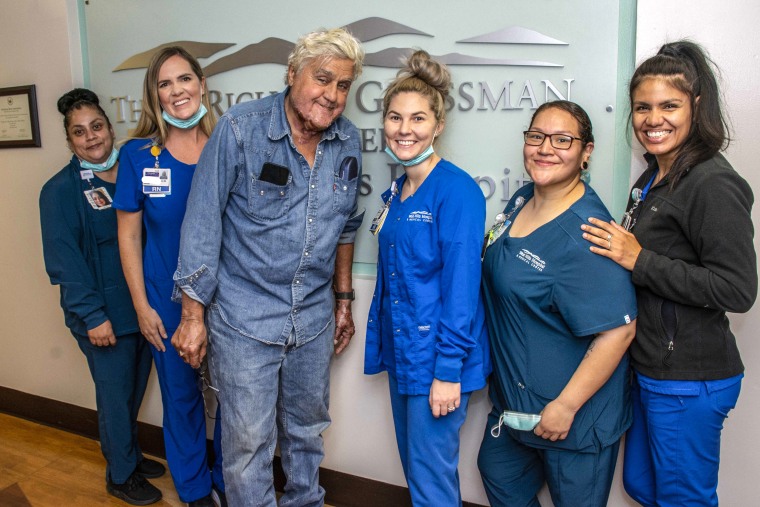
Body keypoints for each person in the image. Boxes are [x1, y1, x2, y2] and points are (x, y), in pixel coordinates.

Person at [171, 28, 365, 506]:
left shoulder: (348, 141)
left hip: (313, 322)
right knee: (246, 447)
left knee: (306, 435)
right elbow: (201, 225)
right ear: (293, 73)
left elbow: (346, 227)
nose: (333, 95)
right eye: (323, 79)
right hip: (244, 321)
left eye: (344, 86)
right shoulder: (241, 128)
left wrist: (343, 300)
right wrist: (193, 318)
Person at [581, 40, 757, 507]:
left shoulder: (713, 183)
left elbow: (737, 289)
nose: (652, 119)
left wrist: (639, 259)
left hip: (688, 376)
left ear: (695, 107)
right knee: (641, 485)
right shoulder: (652, 176)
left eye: (669, 106)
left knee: (684, 499)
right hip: (649, 365)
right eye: (642, 107)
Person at [478, 101, 638, 507]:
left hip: (575, 418)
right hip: (515, 406)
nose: (545, 147)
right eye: (536, 136)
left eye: (562, 140)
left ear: (586, 152)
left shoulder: (589, 234)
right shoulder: (520, 200)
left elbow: (619, 330)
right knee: (498, 472)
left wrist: (566, 405)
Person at [363, 50, 490, 506]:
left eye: (418, 119)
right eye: (395, 117)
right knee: (419, 474)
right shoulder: (399, 190)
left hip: (438, 360)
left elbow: (462, 290)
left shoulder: (456, 192)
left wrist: (448, 372)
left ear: (438, 126)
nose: (404, 129)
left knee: (432, 480)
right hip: (406, 355)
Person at [40, 88, 164, 505]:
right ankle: (121, 475)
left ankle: (125, 454)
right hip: (103, 315)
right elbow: (65, 263)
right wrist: (93, 316)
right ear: (70, 140)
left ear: (110, 128)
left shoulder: (132, 169)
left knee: (132, 391)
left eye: (96, 126)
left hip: (142, 310)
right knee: (114, 396)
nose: (91, 137)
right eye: (79, 132)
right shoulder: (60, 191)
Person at [112, 47, 224, 507]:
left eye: (184, 79)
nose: (176, 91)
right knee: (182, 399)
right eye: (164, 83)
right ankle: (195, 489)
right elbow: (128, 238)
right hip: (166, 299)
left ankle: (226, 476)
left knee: (237, 401)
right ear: (154, 94)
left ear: (201, 83)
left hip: (228, 300)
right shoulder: (139, 155)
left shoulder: (226, 143)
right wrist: (142, 306)